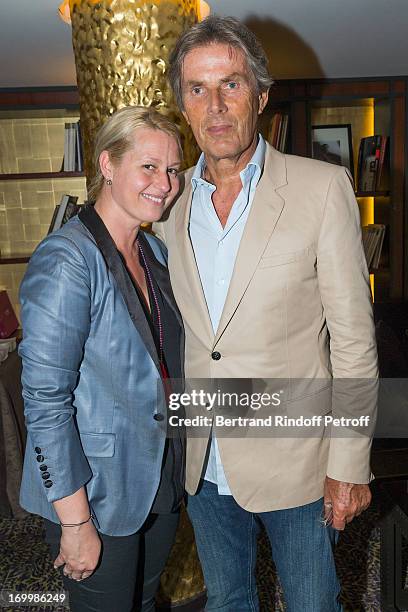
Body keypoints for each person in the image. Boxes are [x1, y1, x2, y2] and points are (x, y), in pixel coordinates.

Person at [153, 16, 378, 612]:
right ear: (183, 103)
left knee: (313, 603)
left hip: (299, 463)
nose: (216, 105)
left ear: (260, 93)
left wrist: (350, 461)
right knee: (228, 601)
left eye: (231, 84)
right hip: (204, 457)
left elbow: (355, 339)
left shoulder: (321, 187)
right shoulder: (170, 205)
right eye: (198, 89)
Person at [18, 106, 185, 612]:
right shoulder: (67, 258)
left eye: (173, 169)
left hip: (158, 480)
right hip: (95, 495)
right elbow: (46, 400)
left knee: (145, 600)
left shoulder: (153, 253)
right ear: (108, 165)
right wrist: (74, 521)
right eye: (149, 167)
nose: (165, 183)